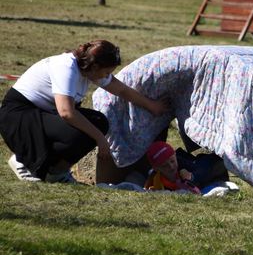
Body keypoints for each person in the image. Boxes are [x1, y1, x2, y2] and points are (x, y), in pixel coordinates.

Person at [0, 39, 168, 183]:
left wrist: (151, 105)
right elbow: (66, 112)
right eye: (107, 72)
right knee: (82, 130)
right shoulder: (66, 67)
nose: (107, 76)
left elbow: (121, 90)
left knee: (98, 121)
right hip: (19, 116)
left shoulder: (90, 70)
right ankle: (24, 158)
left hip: (42, 115)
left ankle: (55, 172)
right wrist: (101, 139)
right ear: (95, 66)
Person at [144, 141, 239, 196]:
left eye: (172, 161)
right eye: (165, 166)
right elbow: (148, 187)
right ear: (157, 168)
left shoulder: (182, 164)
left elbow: (203, 170)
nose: (171, 166)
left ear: (175, 156)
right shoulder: (156, 180)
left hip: (206, 168)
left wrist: (192, 176)